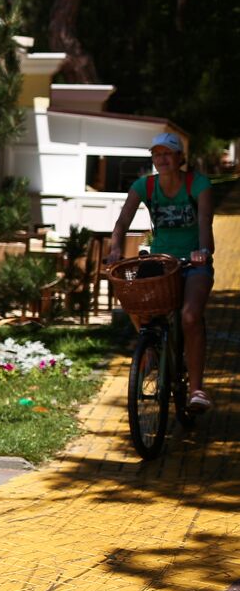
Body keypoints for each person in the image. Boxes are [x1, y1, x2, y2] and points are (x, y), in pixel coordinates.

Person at [106, 131, 216, 412]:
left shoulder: (198, 184)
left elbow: (205, 223)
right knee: (134, 301)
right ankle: (152, 348)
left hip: (194, 261)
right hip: (161, 260)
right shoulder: (145, 186)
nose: (162, 159)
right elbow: (122, 222)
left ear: (180, 157)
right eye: (157, 154)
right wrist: (115, 248)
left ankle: (196, 390)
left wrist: (203, 251)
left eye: (168, 153)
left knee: (190, 317)